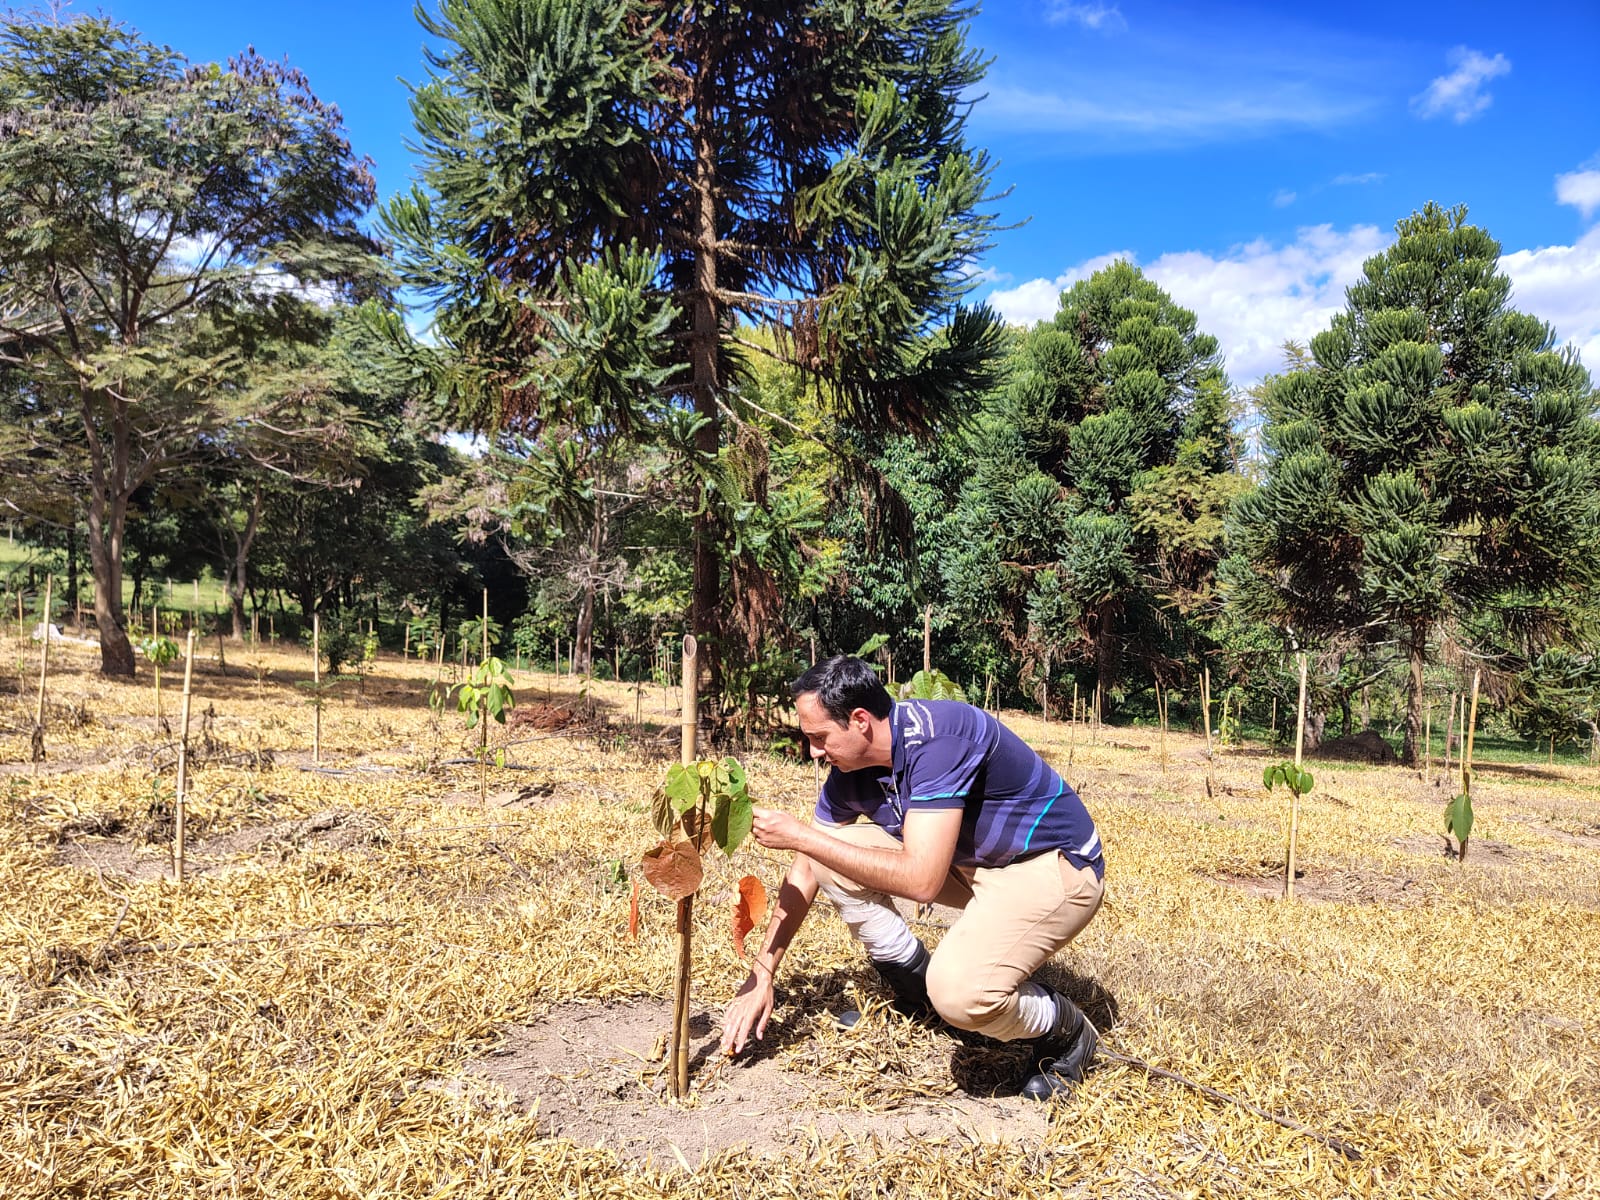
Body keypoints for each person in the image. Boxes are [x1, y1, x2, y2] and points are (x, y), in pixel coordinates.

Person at [720, 654, 1106, 1100]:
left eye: (820, 737)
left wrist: (803, 838)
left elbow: (921, 880)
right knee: (826, 857)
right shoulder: (851, 771)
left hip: (1053, 867)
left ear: (860, 720)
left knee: (961, 992)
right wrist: (763, 972)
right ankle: (917, 995)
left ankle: (1066, 1030)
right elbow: (809, 864)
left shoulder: (940, 738)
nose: (813, 752)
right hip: (972, 866)